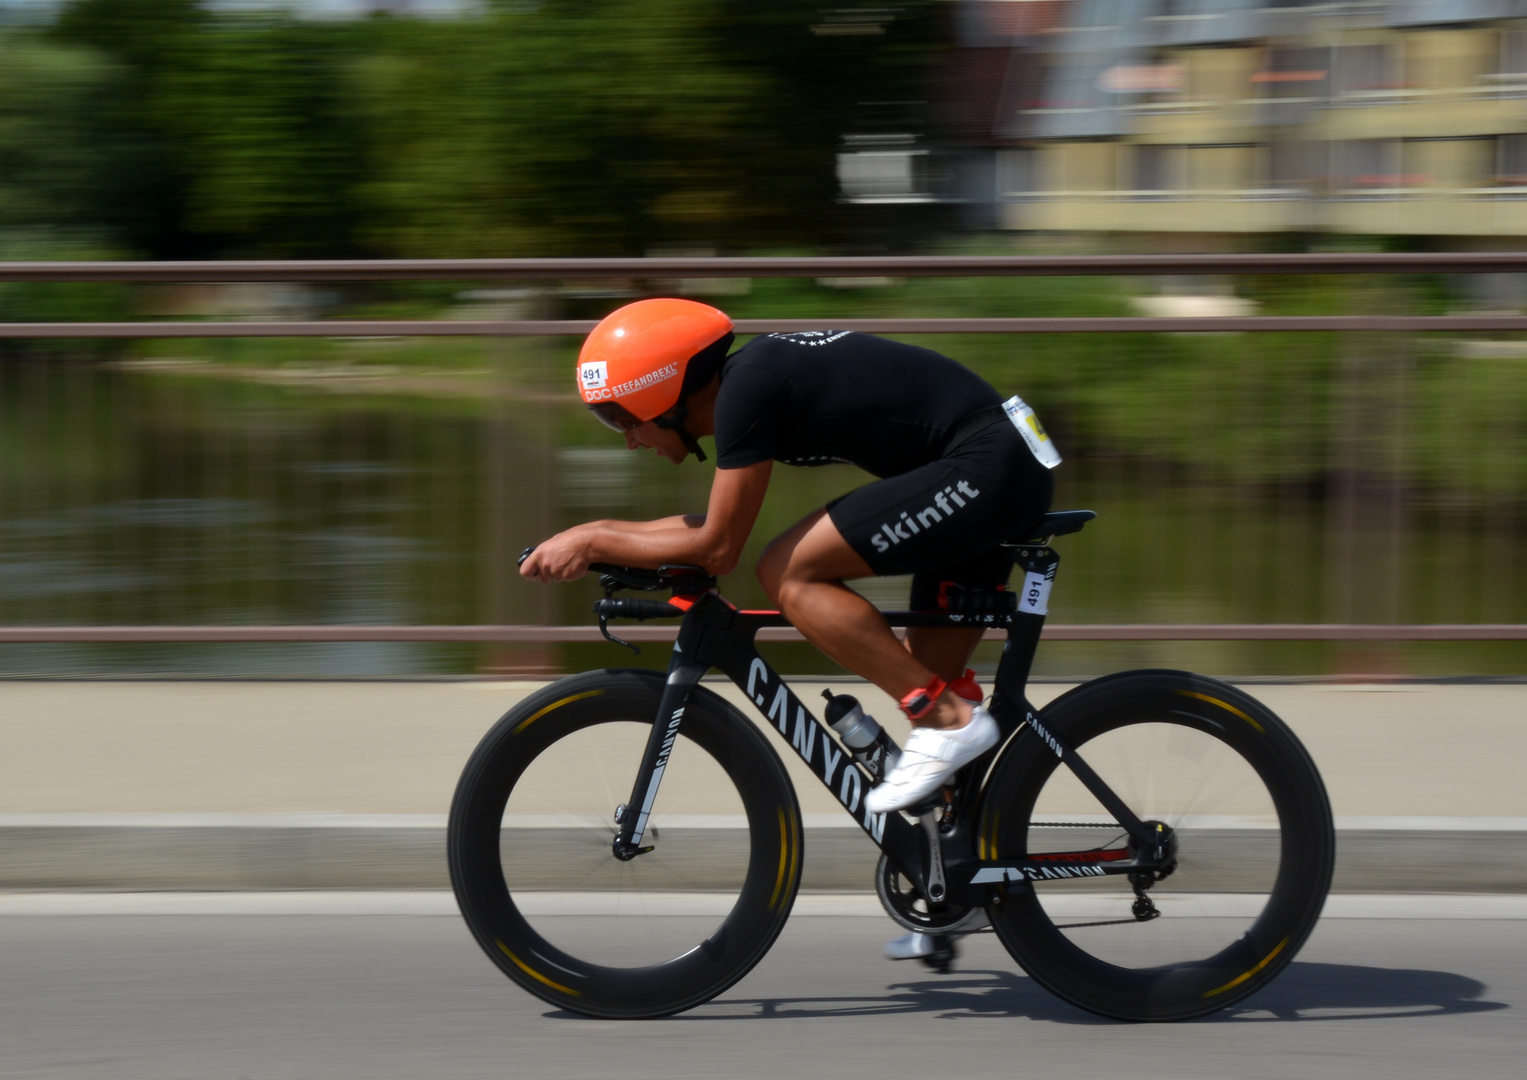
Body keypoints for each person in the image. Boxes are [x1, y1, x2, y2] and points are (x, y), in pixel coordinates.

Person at [521, 298, 1058, 958]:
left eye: (620, 419)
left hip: (988, 464)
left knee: (791, 574)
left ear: (664, 392)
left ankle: (948, 717)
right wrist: (590, 538)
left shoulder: (746, 391)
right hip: (995, 461)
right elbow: (708, 529)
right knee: (928, 687)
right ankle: (953, 886)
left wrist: (598, 535)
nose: (628, 438)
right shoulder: (747, 386)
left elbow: (720, 550)